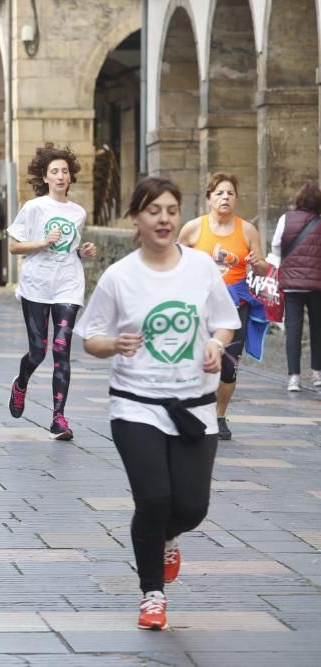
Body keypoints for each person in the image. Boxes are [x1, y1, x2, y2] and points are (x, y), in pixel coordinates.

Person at [76, 176, 240, 631]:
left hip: (194, 404)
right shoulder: (120, 275)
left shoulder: (202, 267)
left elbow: (225, 322)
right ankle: (152, 595)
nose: (164, 219)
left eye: (171, 210)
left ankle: (169, 536)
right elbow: (90, 338)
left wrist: (215, 343)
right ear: (136, 218)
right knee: (153, 498)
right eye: (154, 210)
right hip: (136, 405)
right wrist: (114, 344)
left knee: (191, 508)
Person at [6, 143, 97, 441]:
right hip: (37, 284)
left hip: (68, 284)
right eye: (54, 171)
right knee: (38, 351)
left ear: (71, 178)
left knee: (61, 348)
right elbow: (14, 246)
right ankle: (21, 382)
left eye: (65, 171)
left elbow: (70, 249)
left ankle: (58, 418)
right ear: (45, 177)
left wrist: (83, 251)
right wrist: (43, 242)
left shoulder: (78, 212)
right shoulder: (34, 208)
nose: (60, 176)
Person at [179, 173, 269, 439]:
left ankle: (219, 416)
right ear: (209, 198)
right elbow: (174, 259)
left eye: (230, 193)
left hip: (235, 303)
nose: (225, 197)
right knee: (197, 359)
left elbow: (263, 269)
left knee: (228, 366)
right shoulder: (194, 228)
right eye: (219, 193)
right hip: (200, 303)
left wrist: (257, 263)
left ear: (236, 199)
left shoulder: (247, 230)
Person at [270, 181, 321, 391]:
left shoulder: (285, 219)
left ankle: (294, 378)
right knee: (318, 329)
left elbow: (275, 246)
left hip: (291, 285)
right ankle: (318, 374)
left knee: (293, 330)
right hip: (317, 285)